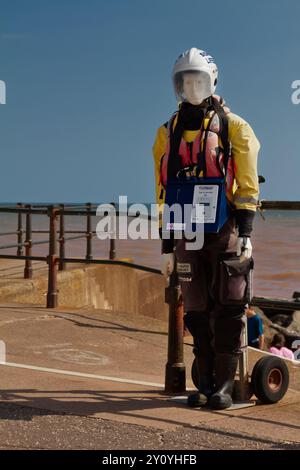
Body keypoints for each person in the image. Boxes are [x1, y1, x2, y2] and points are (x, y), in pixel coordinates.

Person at [152, 47, 260, 410]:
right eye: (185, 80)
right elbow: (163, 190)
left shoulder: (235, 128)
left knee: (230, 303)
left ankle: (226, 385)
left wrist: (245, 234)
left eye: (198, 79)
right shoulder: (166, 134)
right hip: (186, 230)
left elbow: (246, 185)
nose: (192, 86)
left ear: (212, 80)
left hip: (225, 225)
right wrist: (167, 246)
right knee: (196, 306)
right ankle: (208, 379)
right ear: (176, 85)